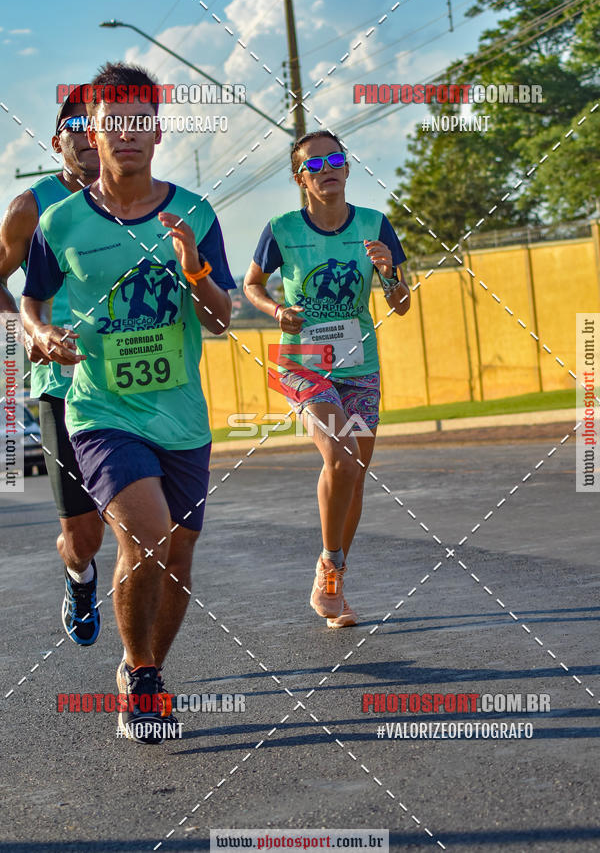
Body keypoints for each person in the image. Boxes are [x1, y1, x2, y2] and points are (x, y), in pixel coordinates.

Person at [21, 61, 235, 743]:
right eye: (115, 123)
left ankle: (144, 665)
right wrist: (41, 333)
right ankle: (143, 681)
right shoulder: (57, 222)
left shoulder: (194, 213)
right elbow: (31, 299)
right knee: (146, 535)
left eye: (142, 122)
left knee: (180, 556)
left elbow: (222, 321)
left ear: (158, 132)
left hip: (182, 416)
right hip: (100, 410)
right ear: (96, 131)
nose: (128, 134)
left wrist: (193, 266)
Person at [244, 130, 410, 629]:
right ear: (301, 178)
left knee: (353, 474)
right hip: (302, 364)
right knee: (339, 457)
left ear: (347, 168)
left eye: (335, 159)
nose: (327, 168)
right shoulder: (281, 229)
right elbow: (250, 285)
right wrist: (276, 309)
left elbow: (400, 305)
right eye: (315, 165)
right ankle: (329, 567)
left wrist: (390, 275)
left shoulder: (375, 224)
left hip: (359, 365)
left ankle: (333, 571)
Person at [0, 89, 105, 646]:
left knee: (142, 519)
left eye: (100, 124)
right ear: (56, 139)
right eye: (76, 125)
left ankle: (141, 664)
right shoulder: (30, 207)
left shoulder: (136, 201)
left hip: (130, 384)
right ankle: (79, 575)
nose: (89, 135)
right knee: (84, 534)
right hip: (61, 383)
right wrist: (26, 333)